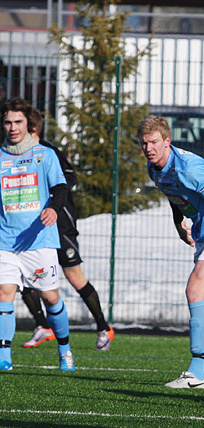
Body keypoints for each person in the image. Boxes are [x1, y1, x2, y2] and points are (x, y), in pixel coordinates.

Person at [138, 114, 204, 389]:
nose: (149, 149)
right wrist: (179, 223)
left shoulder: (189, 167)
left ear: (168, 141)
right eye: (144, 144)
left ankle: (196, 373)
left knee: (194, 289)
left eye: (154, 142)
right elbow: (173, 195)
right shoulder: (154, 168)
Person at [21, 108, 114, 351]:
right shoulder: (15, 156)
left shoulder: (49, 153)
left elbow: (69, 179)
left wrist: (48, 194)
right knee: (26, 278)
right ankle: (43, 325)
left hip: (60, 226)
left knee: (74, 277)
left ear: (33, 130)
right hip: (31, 227)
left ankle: (103, 327)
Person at [0, 97, 76, 371]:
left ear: (27, 124)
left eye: (18, 122)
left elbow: (60, 188)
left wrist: (55, 209)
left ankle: (65, 350)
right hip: (5, 241)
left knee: (50, 297)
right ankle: (4, 354)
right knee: (4, 292)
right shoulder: (0, 156)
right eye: (7, 122)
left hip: (39, 241)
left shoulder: (44, 154)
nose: (12, 127)